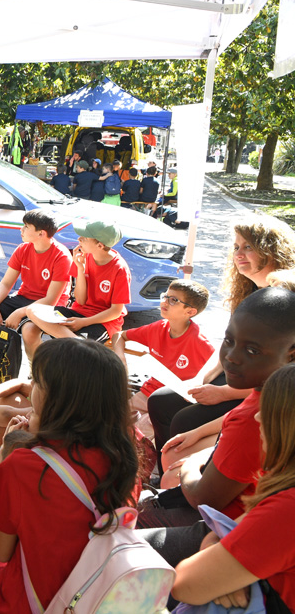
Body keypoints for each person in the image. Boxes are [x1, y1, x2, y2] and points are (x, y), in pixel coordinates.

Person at [0, 338, 140, 613]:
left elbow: (0, 549)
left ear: (57, 399)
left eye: (37, 383)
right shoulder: (122, 460)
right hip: (93, 595)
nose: (32, 390)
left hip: (25, 604)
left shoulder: (25, 464)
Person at [139, 289, 295, 571]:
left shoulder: (257, 420)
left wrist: (191, 466)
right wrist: (203, 442)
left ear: (291, 354)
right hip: (235, 514)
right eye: (229, 341)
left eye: (252, 350)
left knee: (117, 531)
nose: (231, 358)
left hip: (221, 528)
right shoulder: (268, 393)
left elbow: (204, 499)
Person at [148, 215, 295, 458]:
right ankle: (164, 471)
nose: (239, 254)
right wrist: (199, 378)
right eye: (236, 247)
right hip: (235, 377)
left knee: (184, 420)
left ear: (271, 250)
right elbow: (228, 345)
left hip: (260, 390)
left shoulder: (285, 300)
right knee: (161, 400)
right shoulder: (248, 292)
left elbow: (281, 378)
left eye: (248, 246)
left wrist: (224, 392)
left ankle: (182, 480)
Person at [171, 364, 295, 612]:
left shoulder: (287, 509)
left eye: (268, 410)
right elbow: (227, 533)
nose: (258, 416)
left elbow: (183, 584)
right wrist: (220, 553)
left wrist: (192, 464)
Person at [0, 209, 72, 359]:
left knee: (29, 331)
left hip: (48, 306)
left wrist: (20, 312)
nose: (21, 229)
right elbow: (6, 283)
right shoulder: (23, 249)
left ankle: (37, 373)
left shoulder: (62, 256)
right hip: (23, 298)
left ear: (41, 233)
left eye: (26, 226)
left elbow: (51, 300)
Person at [111, 280, 215, 419]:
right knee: (110, 420)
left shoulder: (201, 344)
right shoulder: (159, 327)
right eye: (165, 296)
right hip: (146, 394)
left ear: (190, 311)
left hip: (171, 405)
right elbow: (119, 335)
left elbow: (217, 376)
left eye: (173, 300)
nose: (165, 302)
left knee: (135, 435)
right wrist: (121, 358)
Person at [26, 219, 130, 344]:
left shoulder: (120, 268)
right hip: (78, 313)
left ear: (100, 245)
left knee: (68, 348)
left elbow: (116, 311)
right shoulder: (84, 256)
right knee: (33, 310)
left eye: (84, 238)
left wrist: (84, 322)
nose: (79, 239)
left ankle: (76, 344)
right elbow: (80, 300)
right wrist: (80, 269)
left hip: (103, 322)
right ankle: (76, 342)